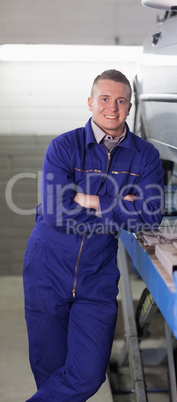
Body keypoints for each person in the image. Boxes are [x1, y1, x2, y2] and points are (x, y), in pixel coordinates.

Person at [23, 69, 164, 401]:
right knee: (50, 373)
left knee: (87, 376)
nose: (112, 108)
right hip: (47, 267)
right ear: (90, 102)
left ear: (130, 106)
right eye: (104, 99)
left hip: (96, 276)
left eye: (120, 101)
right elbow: (57, 216)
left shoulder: (145, 156)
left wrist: (89, 200)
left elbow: (151, 215)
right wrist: (120, 206)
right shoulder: (64, 147)